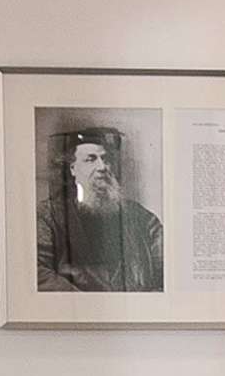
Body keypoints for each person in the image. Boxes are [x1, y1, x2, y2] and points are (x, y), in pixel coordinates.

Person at [39, 126, 163, 294]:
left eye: (107, 159)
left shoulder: (143, 220)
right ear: (73, 169)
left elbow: (167, 273)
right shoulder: (48, 216)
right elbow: (37, 272)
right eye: (91, 159)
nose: (102, 167)